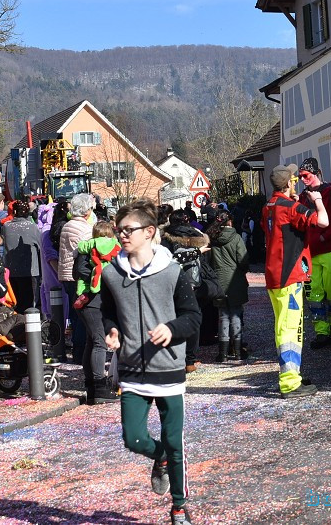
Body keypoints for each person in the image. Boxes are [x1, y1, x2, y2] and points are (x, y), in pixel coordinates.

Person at [101, 200, 201, 525]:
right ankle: (158, 457)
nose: (122, 235)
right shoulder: (111, 274)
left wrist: (171, 330)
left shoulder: (172, 272)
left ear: (149, 232)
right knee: (133, 438)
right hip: (131, 370)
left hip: (169, 370)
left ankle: (179, 507)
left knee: (175, 442)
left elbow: (193, 317)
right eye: (120, 230)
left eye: (128, 230)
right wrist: (110, 330)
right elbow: (104, 312)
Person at [261, 164, 329, 398]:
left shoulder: (269, 206)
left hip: (275, 275)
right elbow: (323, 222)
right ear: (288, 183)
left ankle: (292, 375)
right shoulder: (290, 207)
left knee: (283, 326)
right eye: (294, 180)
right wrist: (317, 200)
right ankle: (290, 382)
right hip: (289, 275)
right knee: (290, 329)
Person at [296, 157, 331, 350]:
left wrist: (325, 236)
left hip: (328, 250)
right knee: (313, 294)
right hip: (310, 254)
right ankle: (322, 331)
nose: (303, 179)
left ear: (316, 173)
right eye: (300, 176)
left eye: (306, 176)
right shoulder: (303, 197)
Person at [72, 219, 121, 405]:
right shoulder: (113, 251)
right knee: (99, 342)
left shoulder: (85, 251)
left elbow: (78, 273)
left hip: (84, 300)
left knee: (91, 341)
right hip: (96, 301)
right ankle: (99, 386)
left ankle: (92, 385)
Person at [161, 211, 212, 371]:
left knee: (174, 318)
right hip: (192, 282)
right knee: (193, 317)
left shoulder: (165, 238)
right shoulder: (195, 235)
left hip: (171, 280)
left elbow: (168, 259)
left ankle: (177, 357)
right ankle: (190, 359)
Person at [205, 210, 250, 363]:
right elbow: (243, 259)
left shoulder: (212, 238)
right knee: (236, 315)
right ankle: (237, 352)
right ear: (230, 221)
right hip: (235, 278)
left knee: (223, 316)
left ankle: (222, 353)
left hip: (219, 279)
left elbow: (208, 259)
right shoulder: (236, 238)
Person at [59, 194, 96, 363]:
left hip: (67, 274)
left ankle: (78, 351)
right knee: (83, 316)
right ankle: (80, 354)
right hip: (78, 276)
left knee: (76, 316)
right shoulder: (84, 229)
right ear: (86, 211)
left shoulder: (68, 225)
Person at [2, 200, 42, 313]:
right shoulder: (32, 226)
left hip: (12, 269)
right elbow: (40, 245)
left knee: (16, 300)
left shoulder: (6, 227)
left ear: (14, 212)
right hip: (30, 269)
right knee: (29, 302)